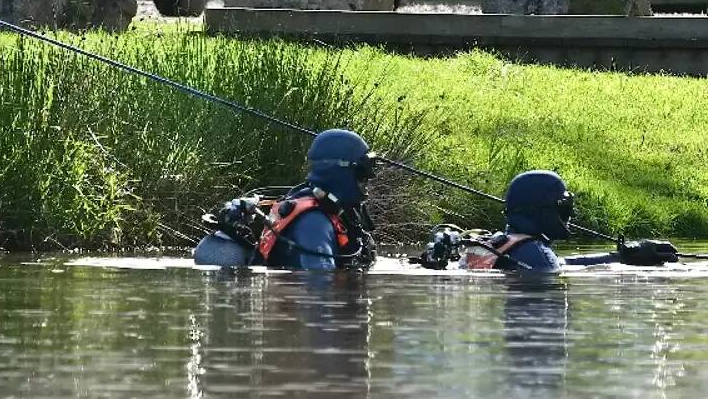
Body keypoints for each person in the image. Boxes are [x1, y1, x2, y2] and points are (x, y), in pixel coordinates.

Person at [416, 170, 679, 273]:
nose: (568, 215)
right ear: (542, 210)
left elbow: (562, 262)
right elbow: (555, 267)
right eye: (563, 208)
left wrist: (621, 255)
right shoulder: (535, 253)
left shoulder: (504, 242)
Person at [193, 129, 377, 270]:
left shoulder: (333, 211)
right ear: (340, 172)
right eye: (363, 172)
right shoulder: (314, 224)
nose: (369, 178)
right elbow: (320, 291)